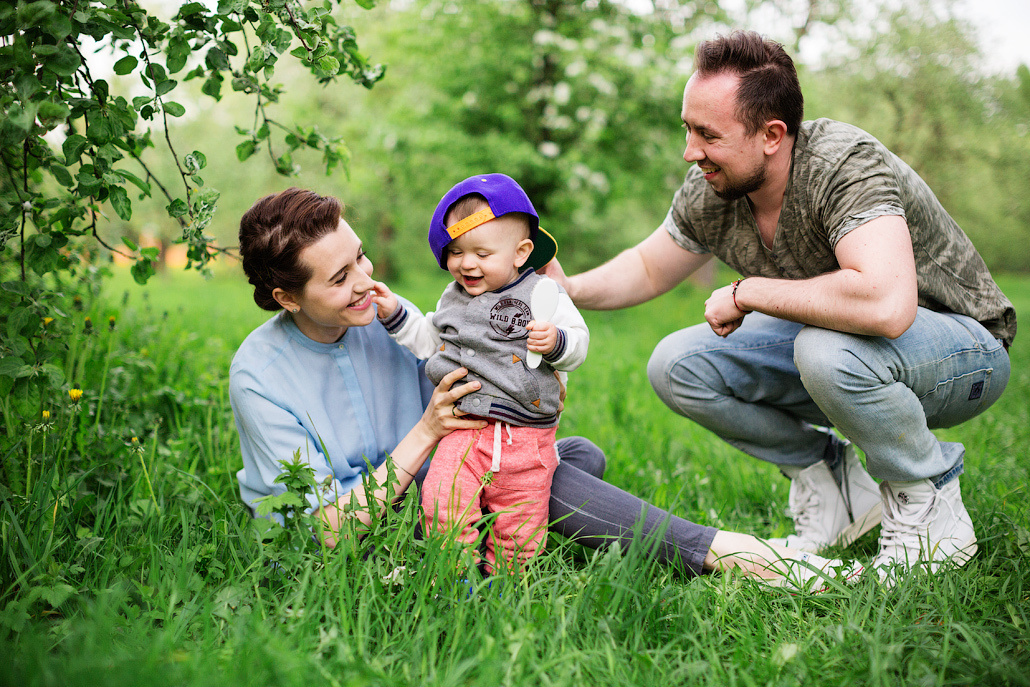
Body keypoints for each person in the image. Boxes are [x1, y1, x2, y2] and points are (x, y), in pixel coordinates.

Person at [541, 31, 1015, 582]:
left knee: (826, 348)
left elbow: (886, 305)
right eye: (686, 129)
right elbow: (648, 267)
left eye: (707, 134)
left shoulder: (843, 164)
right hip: (852, 352)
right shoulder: (712, 188)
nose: (690, 151)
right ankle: (832, 485)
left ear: (771, 135)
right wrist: (569, 288)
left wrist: (750, 292)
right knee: (677, 364)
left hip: (966, 351)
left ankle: (930, 505)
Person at [228, 185, 857, 590]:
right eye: (341, 277)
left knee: (568, 457)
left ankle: (554, 513)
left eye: (361, 258)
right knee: (554, 479)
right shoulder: (261, 378)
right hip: (375, 520)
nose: (366, 280)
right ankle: (733, 556)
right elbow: (322, 533)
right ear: (286, 297)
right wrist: (426, 432)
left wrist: (526, 388)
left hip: (455, 480)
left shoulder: (380, 319)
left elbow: (468, 377)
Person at [372, 173, 588, 572]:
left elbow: (578, 343)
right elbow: (429, 340)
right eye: (455, 252)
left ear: (521, 253)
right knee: (442, 504)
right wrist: (396, 316)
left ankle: (506, 584)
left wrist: (557, 341)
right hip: (465, 429)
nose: (466, 263)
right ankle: (456, 578)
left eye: (482, 254)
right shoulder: (452, 298)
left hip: (526, 435)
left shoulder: (543, 295)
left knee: (520, 526)